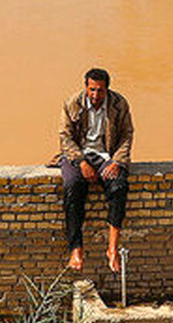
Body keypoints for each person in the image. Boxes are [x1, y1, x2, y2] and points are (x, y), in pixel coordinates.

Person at [56, 68, 133, 272]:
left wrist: (117, 161)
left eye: (100, 90)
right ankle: (76, 249)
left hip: (107, 156)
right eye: (92, 89)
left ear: (107, 89)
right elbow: (65, 137)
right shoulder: (72, 104)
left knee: (119, 188)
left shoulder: (119, 104)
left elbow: (126, 135)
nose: (96, 95)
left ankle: (112, 249)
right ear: (85, 87)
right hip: (77, 155)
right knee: (73, 188)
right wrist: (81, 162)